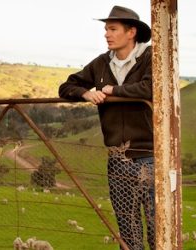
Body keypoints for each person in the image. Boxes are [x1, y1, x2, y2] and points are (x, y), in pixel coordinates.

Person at [57, 5, 155, 250]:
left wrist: (113, 91)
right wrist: (85, 93)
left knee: (157, 225)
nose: (106, 34)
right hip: (117, 156)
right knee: (127, 225)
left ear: (131, 32)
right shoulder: (101, 63)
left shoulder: (151, 57)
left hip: (150, 155)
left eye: (112, 29)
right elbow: (66, 86)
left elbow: (151, 88)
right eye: (106, 29)